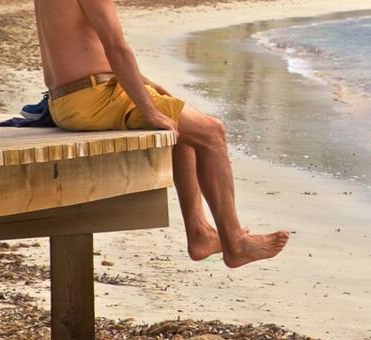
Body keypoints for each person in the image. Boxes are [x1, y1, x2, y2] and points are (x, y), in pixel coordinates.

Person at [35, 0, 288, 267]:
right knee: (213, 133)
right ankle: (235, 243)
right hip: (94, 97)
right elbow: (115, 47)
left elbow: (84, 47)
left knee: (183, 126)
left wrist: (147, 85)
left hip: (69, 99)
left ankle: (200, 232)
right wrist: (149, 109)